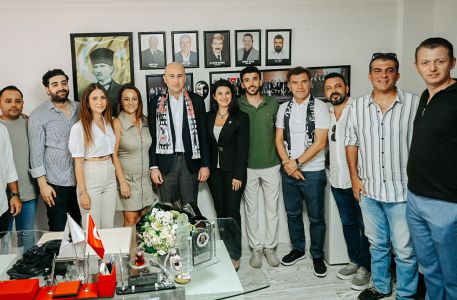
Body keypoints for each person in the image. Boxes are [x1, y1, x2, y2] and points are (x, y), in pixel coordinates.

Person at [345, 53, 419, 300]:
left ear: (397, 74)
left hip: (403, 192)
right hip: (370, 190)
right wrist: (355, 178)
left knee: (405, 250)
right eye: (378, 70)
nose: (383, 75)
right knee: (377, 244)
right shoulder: (357, 106)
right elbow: (351, 143)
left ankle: (407, 294)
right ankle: (381, 286)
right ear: (370, 75)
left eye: (389, 70)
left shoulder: (415, 104)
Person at [407, 37, 457, 300]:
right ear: (417, 66)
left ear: (452, 63)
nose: (433, 68)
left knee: (453, 276)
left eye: (439, 61)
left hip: (447, 204)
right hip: (416, 198)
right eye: (426, 62)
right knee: (429, 270)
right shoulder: (427, 95)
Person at [275, 66, 329, 277]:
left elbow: (320, 142)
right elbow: (278, 139)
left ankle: (317, 254)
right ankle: (298, 249)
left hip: (313, 172)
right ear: (289, 85)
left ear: (310, 83)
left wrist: (296, 163)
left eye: (303, 81)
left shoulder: (321, 107)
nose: (299, 86)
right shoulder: (283, 108)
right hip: (289, 169)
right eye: (295, 82)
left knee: (316, 217)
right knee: (293, 213)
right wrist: (288, 164)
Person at [323, 73, 371, 290]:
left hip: (359, 180)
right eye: (329, 88)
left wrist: (360, 177)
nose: (334, 90)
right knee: (349, 223)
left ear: (347, 88)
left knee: (366, 226)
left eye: (338, 86)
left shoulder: (360, 109)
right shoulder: (327, 113)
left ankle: (367, 267)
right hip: (337, 179)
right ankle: (355, 260)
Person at [148, 62, 210, 216]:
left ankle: (190, 240)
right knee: (168, 210)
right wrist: (153, 166)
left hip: (190, 162)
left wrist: (205, 165)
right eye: (172, 76)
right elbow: (153, 137)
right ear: (165, 79)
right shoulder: (155, 102)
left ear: (185, 78)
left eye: (180, 76)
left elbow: (203, 134)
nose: (176, 80)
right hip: (166, 164)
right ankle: (171, 241)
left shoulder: (196, 101)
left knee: (190, 207)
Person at [237, 66, 281, 269]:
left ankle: (270, 248)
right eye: (247, 80)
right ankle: (256, 248)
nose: (251, 83)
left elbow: (281, 134)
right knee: (251, 210)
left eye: (255, 79)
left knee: (272, 210)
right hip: (247, 166)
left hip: (272, 164)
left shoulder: (273, 103)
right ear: (242, 83)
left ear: (261, 81)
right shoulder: (237, 105)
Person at [29, 69, 82, 231]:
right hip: (55, 184)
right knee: (59, 230)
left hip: (82, 181)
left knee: (82, 228)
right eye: (55, 84)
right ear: (47, 89)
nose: (61, 87)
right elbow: (36, 153)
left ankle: (80, 258)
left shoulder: (81, 109)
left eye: (63, 83)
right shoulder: (38, 115)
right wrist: (43, 185)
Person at [206, 79, 249, 271]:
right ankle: (224, 249)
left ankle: (235, 253)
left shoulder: (241, 117)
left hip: (233, 173)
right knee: (220, 213)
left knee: (232, 213)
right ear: (214, 96)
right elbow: (206, 145)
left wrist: (238, 175)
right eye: (220, 93)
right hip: (214, 173)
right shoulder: (208, 117)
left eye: (227, 93)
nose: (224, 97)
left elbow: (242, 149)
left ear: (232, 96)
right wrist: (205, 166)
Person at [68, 83, 116, 229]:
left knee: (109, 226)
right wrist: (83, 192)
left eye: (102, 98)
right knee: (92, 229)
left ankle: (108, 253)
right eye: (94, 98)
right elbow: (79, 163)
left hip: (109, 174)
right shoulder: (79, 128)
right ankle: (92, 253)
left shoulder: (109, 122)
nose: (100, 102)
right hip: (91, 176)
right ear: (87, 102)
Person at [0, 86, 38, 253]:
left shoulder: (30, 123)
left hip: (27, 190)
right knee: (4, 236)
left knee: (27, 233)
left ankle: (28, 270)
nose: (13, 105)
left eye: (18, 101)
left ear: (23, 104)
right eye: (8, 101)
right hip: (3, 194)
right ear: (0, 103)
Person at [113, 85, 156, 226]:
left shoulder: (146, 121)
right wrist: (122, 183)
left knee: (145, 220)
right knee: (131, 220)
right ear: (121, 102)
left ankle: (142, 249)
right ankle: (130, 249)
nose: (131, 102)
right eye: (126, 99)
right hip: (128, 181)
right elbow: (113, 155)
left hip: (145, 180)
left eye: (134, 99)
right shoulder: (117, 123)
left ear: (139, 101)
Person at [89, 48, 123, 115]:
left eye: (102, 66)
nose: (98, 70)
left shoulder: (121, 90)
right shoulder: (89, 91)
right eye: (95, 67)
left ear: (111, 69)